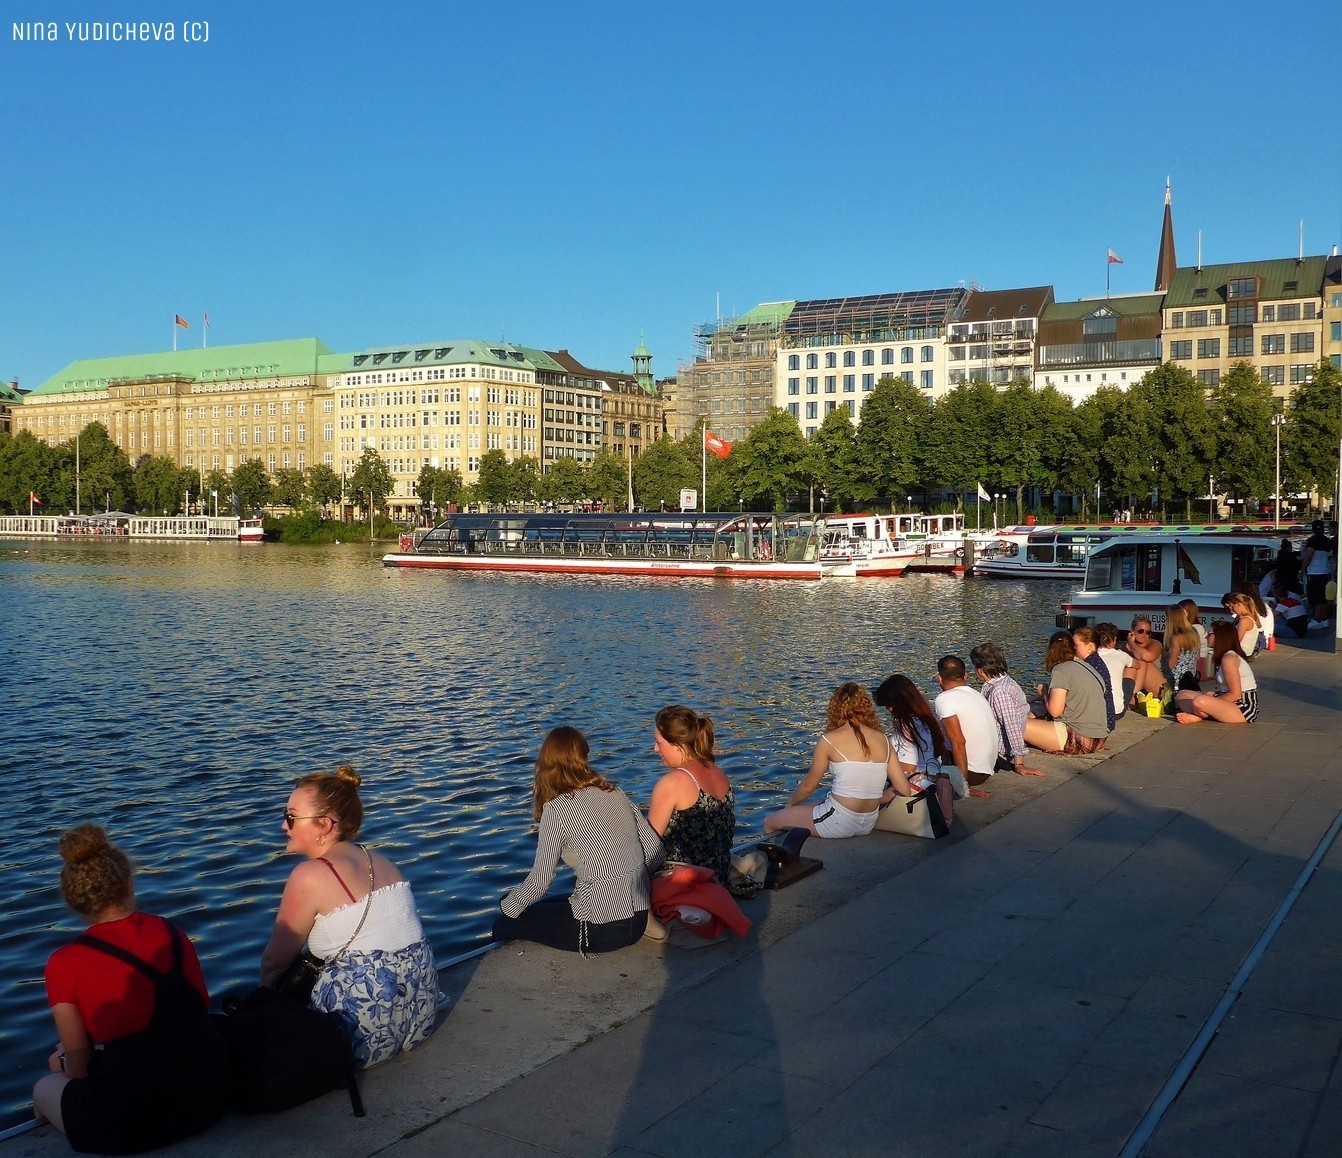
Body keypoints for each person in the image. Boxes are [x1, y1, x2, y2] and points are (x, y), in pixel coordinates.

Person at [34, 824, 227, 1154]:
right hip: (209, 1098)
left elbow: (80, 1066)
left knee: (44, 1088)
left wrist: (63, 1061)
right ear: (128, 885)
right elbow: (191, 1010)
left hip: (131, 1123)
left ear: (73, 901)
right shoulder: (170, 931)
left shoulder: (63, 963)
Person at [260, 766, 438, 1067]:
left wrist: (267, 1015)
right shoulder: (380, 861)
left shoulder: (310, 875)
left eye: (291, 816)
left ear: (325, 825)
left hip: (361, 1036)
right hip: (419, 1017)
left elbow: (273, 964)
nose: (283, 825)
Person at [494, 727, 664, 953]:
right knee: (544, 905)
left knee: (506, 920)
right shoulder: (614, 791)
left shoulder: (556, 808)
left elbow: (541, 881)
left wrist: (507, 907)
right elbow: (656, 851)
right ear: (584, 756)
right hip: (639, 917)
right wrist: (629, 883)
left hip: (600, 931)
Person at [764, 683, 912, 838]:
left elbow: (808, 787)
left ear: (835, 710)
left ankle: (766, 860)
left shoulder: (828, 741)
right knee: (815, 804)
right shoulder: (883, 740)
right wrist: (881, 796)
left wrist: (791, 804)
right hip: (868, 822)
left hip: (839, 822)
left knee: (770, 821)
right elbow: (904, 789)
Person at [647, 705, 734, 887]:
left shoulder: (673, 783)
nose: (655, 749)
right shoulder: (718, 772)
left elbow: (649, 846)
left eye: (659, 742)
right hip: (719, 878)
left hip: (683, 882)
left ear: (677, 746)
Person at [1023, 628, 1111, 755]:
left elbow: (1055, 711)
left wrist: (1044, 692)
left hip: (1081, 738)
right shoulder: (1087, 666)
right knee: (1035, 709)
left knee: (1016, 724)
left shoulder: (1061, 670)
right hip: (1100, 737)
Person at [967, 644, 1044, 777]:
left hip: (1000, 750)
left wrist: (1019, 763)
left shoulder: (999, 692)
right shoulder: (1005, 682)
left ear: (980, 670)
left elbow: (1011, 726)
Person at [933, 655, 1001, 799]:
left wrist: (962, 786)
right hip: (987, 768)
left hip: (972, 773)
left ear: (939, 678)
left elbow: (958, 742)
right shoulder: (976, 694)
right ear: (965, 676)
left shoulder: (944, 699)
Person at [1175, 621, 1258, 725]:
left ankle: (1198, 715)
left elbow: (1236, 695)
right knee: (1182, 695)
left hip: (1242, 707)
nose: (1206, 637)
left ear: (1220, 637)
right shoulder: (1224, 656)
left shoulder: (1229, 659)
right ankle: (1205, 713)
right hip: (1228, 699)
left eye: (1210, 634)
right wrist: (1214, 696)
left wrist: (1214, 699)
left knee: (1199, 701)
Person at [1094, 623, 1135, 719]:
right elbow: (1137, 664)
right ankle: (1133, 697)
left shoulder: (1090, 656)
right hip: (1116, 711)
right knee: (1131, 668)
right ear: (1114, 640)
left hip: (1094, 712)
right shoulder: (1120, 655)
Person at [1125, 615, 1165, 701]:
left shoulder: (1155, 644)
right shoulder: (1123, 647)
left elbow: (1146, 657)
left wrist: (1131, 643)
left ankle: (1133, 696)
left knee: (1141, 661)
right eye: (1141, 631)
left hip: (1157, 686)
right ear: (1132, 631)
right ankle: (1132, 696)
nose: (1144, 634)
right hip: (1133, 681)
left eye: (1148, 632)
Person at [1163, 603, 1201, 691]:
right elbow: (1197, 656)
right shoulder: (1194, 632)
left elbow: (1171, 664)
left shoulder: (1175, 637)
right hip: (1191, 676)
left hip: (1176, 680)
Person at [1300, 520, 1333, 619]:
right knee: (1324, 596)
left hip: (1314, 572)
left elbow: (1309, 556)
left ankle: (1317, 619)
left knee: (1315, 597)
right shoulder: (1328, 541)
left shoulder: (1311, 541)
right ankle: (1324, 618)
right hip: (1326, 571)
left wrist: (1301, 571)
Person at [1222, 591, 1261, 657]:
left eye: (1232, 606)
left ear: (1238, 604)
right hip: (1245, 652)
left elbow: (1236, 640)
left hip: (1240, 654)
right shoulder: (1252, 617)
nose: (1231, 610)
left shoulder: (1245, 620)